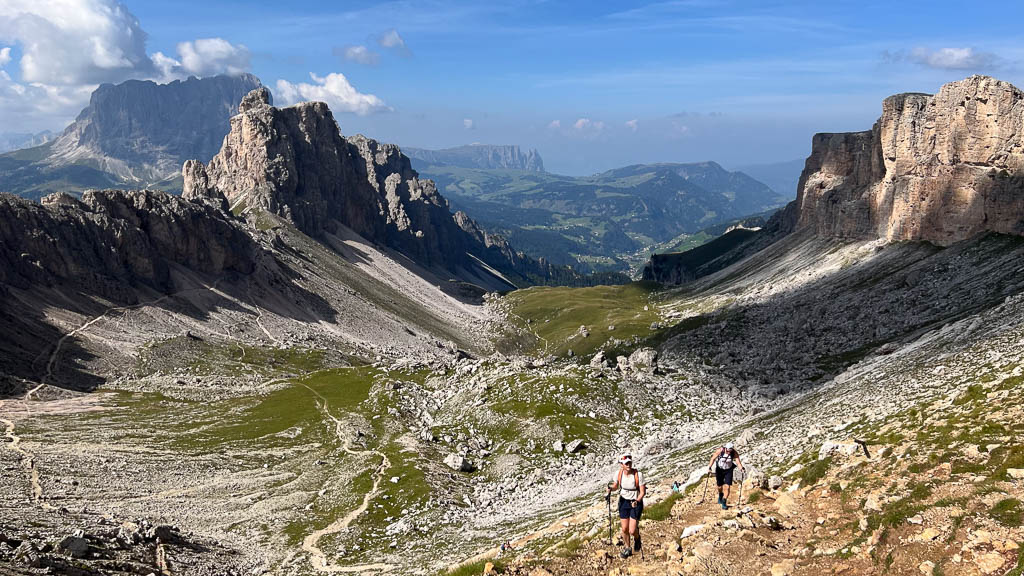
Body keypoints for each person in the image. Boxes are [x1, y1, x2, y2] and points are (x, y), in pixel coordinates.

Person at [606, 454, 646, 558]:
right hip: (623, 501)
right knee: (624, 528)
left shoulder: (638, 475)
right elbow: (616, 486)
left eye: (629, 462)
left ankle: (637, 538)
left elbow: (642, 492)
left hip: (635, 502)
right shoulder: (619, 474)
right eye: (626, 463)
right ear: (621, 465)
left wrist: (637, 500)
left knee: (632, 530)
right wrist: (611, 489)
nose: (628, 465)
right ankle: (628, 548)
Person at [708, 442, 743, 509]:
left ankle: (724, 501)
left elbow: (738, 462)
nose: (728, 452)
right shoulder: (720, 451)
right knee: (719, 486)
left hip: (728, 470)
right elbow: (713, 458)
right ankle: (720, 495)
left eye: (730, 451)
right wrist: (710, 467)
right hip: (719, 470)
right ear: (726, 448)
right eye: (727, 451)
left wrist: (741, 468)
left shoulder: (734, 453)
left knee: (727, 487)